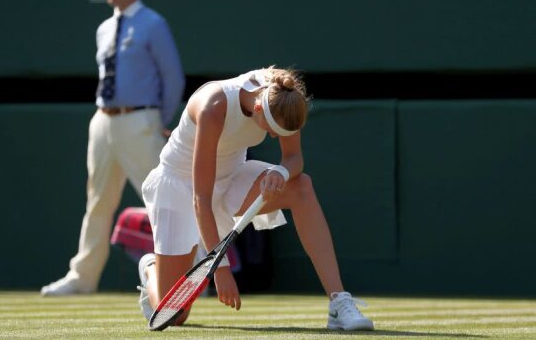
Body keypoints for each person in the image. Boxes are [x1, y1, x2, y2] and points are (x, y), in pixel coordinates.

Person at [136, 67, 374, 330]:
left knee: (302, 187)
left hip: (232, 176)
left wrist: (281, 171)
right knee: (175, 316)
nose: (274, 136)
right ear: (259, 109)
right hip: (181, 186)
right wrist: (222, 269)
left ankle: (338, 302)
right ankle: (151, 269)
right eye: (272, 131)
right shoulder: (212, 107)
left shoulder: (286, 94)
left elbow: (294, 158)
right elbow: (201, 198)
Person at [41, 0, 185, 296]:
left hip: (140, 121)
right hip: (103, 120)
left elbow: (173, 77)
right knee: (98, 201)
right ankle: (83, 277)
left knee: (160, 200)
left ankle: (185, 277)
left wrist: (158, 120)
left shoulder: (153, 24)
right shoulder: (104, 28)